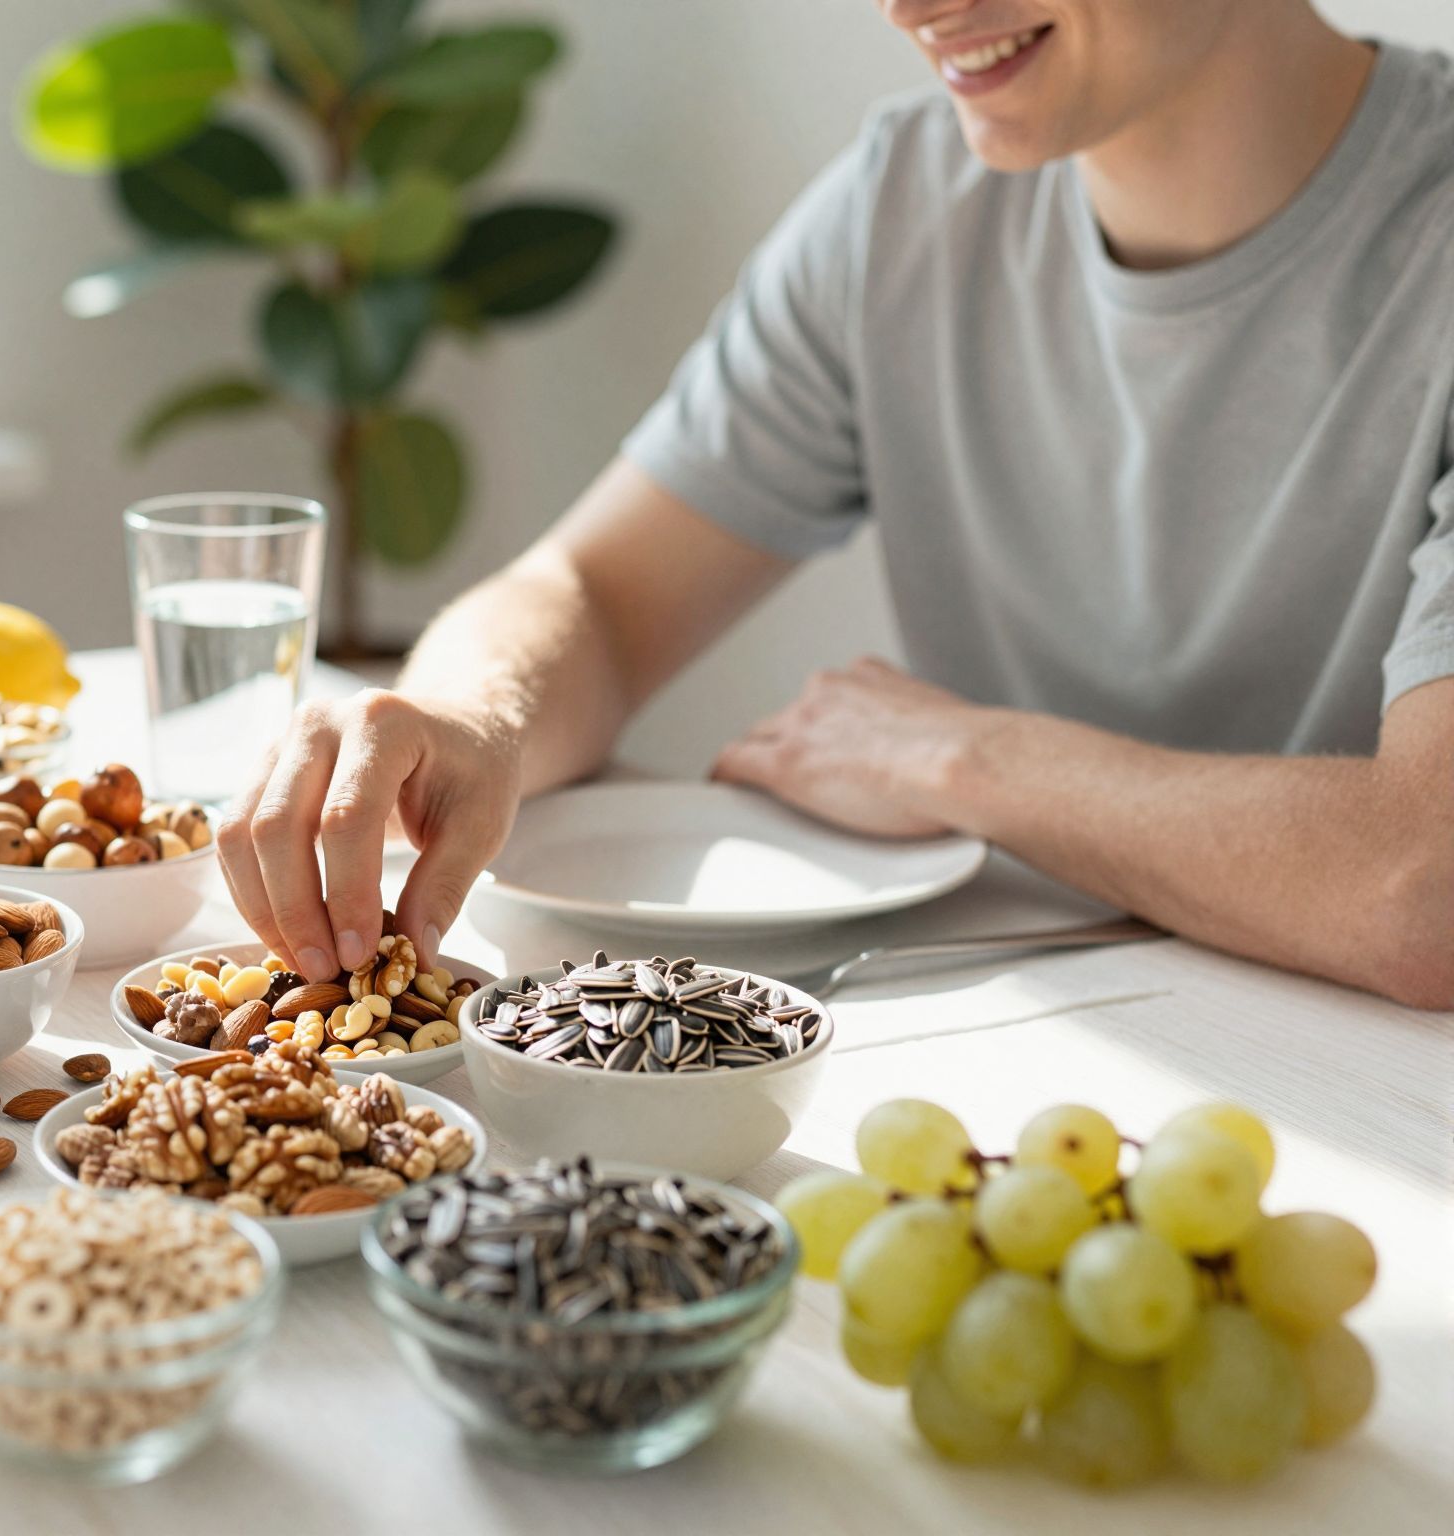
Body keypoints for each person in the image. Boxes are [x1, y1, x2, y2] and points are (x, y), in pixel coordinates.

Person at [216, 0, 1454, 1010]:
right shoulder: (901, 207)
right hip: (1023, 1032)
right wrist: (469, 717)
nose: (913, 7)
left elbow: (1426, 888)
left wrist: (963, 757)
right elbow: (593, 594)